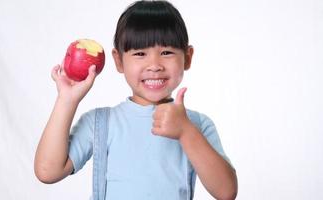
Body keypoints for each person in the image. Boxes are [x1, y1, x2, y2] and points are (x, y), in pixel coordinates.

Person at [34, 0, 238, 199]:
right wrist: (67, 100)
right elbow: (47, 171)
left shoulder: (197, 125)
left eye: (166, 52)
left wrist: (186, 132)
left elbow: (226, 192)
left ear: (188, 57)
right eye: (140, 53)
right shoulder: (99, 123)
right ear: (118, 60)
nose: (155, 65)